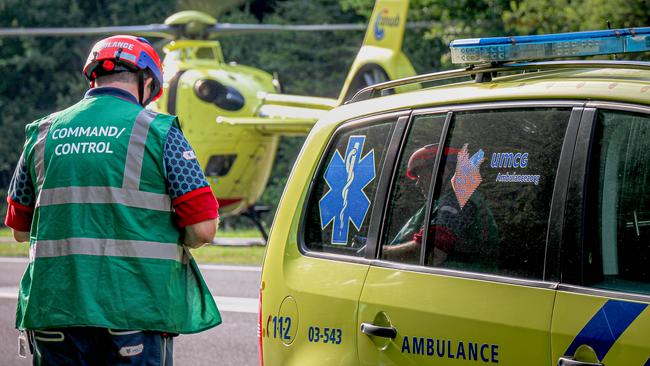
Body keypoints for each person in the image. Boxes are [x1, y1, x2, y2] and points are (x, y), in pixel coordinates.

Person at [5, 35, 221, 365]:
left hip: (54, 309)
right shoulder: (159, 132)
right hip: (134, 310)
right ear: (146, 81)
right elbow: (203, 229)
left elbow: (20, 231)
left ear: (95, 76)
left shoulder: (43, 132)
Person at [383, 143, 498, 266]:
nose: (418, 183)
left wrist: (381, 252)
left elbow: (432, 252)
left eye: (421, 175)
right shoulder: (447, 199)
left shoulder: (457, 200)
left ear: (443, 170)